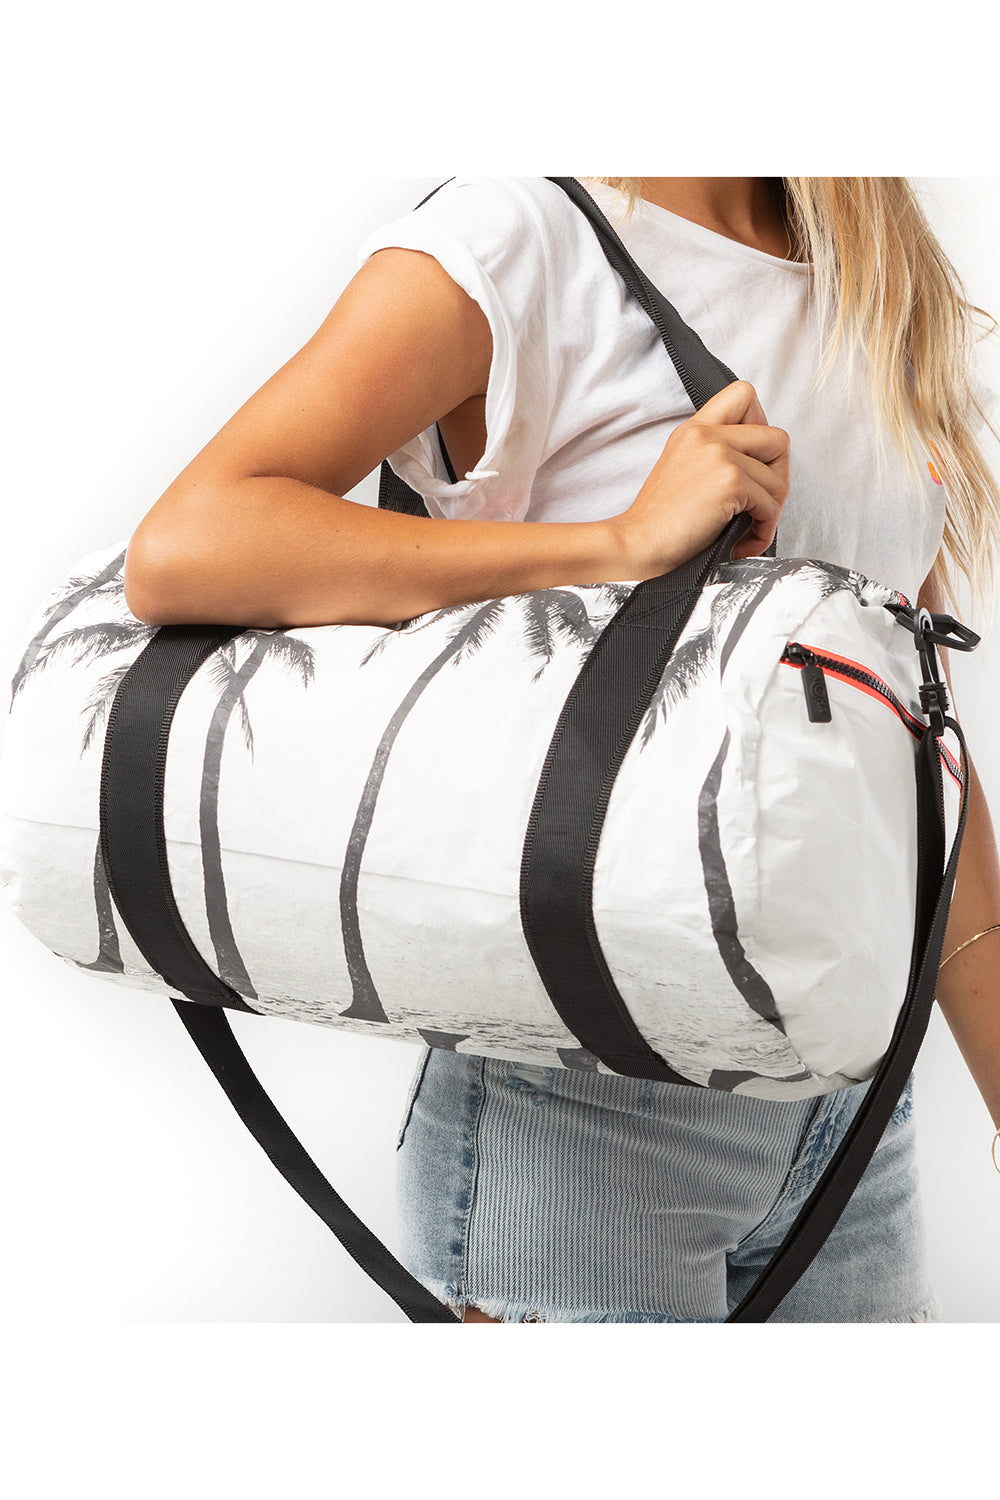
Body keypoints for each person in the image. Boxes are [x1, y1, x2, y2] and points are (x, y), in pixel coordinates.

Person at [123, 176, 1000, 1322]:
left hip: (855, 1111)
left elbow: (915, 756)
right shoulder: (521, 239)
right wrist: (618, 544)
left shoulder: (878, 281)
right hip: (584, 1123)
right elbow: (189, 545)